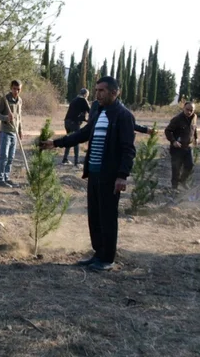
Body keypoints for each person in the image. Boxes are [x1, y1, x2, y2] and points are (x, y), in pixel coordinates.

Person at [42, 77, 136, 271]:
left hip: (110, 176)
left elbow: (128, 149)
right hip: (93, 174)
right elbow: (81, 135)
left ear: (114, 92)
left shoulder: (123, 116)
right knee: (95, 215)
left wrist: (122, 175)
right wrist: (56, 143)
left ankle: (108, 258)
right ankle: (98, 253)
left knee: (108, 217)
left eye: (102, 90)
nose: (97, 94)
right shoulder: (98, 113)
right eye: (96, 90)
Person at [0, 80, 23, 187]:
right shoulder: (4, 99)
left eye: (18, 89)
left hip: (14, 133)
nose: (16, 91)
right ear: (11, 88)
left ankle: (6, 177)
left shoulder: (19, 101)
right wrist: (6, 118)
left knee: (11, 157)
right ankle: (0, 179)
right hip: (5, 132)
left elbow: (19, 117)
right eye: (14, 88)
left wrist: (20, 130)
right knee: (4, 156)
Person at [164, 102, 198, 190]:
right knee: (176, 168)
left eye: (191, 110)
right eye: (187, 109)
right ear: (183, 108)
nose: (189, 112)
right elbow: (168, 131)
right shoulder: (177, 119)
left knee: (190, 165)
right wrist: (173, 141)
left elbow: (194, 128)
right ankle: (174, 188)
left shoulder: (194, 117)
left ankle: (183, 181)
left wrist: (196, 138)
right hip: (177, 148)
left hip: (188, 146)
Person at [62, 88, 91, 166]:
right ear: (85, 94)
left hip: (67, 122)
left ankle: (65, 159)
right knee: (76, 140)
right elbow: (90, 111)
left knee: (69, 139)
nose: (87, 97)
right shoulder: (84, 100)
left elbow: (75, 112)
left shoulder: (74, 100)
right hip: (74, 123)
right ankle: (76, 162)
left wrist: (85, 120)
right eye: (87, 95)